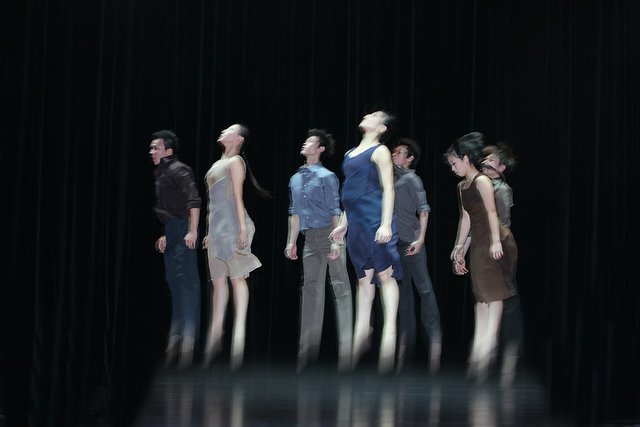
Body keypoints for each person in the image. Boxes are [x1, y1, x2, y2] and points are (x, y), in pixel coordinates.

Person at [330, 111, 402, 373]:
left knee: (385, 274)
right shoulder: (350, 153)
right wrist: (344, 223)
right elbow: (350, 191)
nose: (367, 115)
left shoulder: (380, 151)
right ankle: (362, 331)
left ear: (382, 128)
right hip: (357, 223)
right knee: (363, 278)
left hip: (375, 218)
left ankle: (389, 332)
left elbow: (388, 188)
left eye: (374, 115)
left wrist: (385, 224)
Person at [445, 132, 517, 382]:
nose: (453, 168)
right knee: (482, 297)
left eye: (454, 163)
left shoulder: (483, 181)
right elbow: (466, 218)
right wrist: (459, 248)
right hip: (478, 243)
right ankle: (480, 349)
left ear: (466, 159)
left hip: (496, 240)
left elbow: (491, 212)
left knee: (493, 296)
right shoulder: (462, 186)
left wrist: (496, 242)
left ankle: (488, 347)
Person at [285, 129, 353, 372]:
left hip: (329, 233)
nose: (305, 143)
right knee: (310, 288)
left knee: (340, 287)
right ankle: (307, 347)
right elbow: (294, 213)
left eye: (310, 142)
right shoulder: (295, 178)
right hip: (310, 238)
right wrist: (291, 241)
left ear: (320, 149)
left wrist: (336, 240)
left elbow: (335, 209)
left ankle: (347, 347)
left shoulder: (327, 176)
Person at [202, 123, 269, 371]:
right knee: (218, 282)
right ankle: (216, 332)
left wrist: (242, 229)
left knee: (237, 278)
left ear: (239, 139)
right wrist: (208, 232)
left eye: (229, 130)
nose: (223, 131)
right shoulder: (217, 163)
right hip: (216, 230)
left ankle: (239, 332)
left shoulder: (236, 161)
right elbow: (212, 203)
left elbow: (237, 197)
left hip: (233, 225)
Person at [149, 129, 202, 368]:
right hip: (172, 230)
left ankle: (188, 346)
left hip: (183, 229)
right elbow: (169, 208)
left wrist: (193, 231)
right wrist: (164, 234)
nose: (152, 151)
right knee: (175, 286)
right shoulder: (160, 173)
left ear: (168, 150)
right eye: (151, 148)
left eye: (156, 148)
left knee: (188, 286)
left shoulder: (180, 169)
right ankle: (175, 343)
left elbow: (193, 200)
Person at [391, 138, 442, 373]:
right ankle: (405, 343)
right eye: (394, 151)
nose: (394, 154)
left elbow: (423, 211)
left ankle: (434, 341)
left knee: (424, 289)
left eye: (400, 152)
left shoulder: (412, 179)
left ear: (410, 158)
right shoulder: (390, 178)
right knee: (403, 295)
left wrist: (420, 239)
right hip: (395, 244)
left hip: (412, 243)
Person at [481, 143, 522, 386]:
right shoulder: (482, 185)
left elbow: (503, 223)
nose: (486, 163)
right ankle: (489, 350)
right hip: (485, 247)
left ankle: (510, 353)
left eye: (492, 161)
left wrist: (496, 248)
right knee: (489, 301)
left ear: (502, 168)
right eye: (485, 159)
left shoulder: (502, 190)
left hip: (501, 247)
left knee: (507, 300)